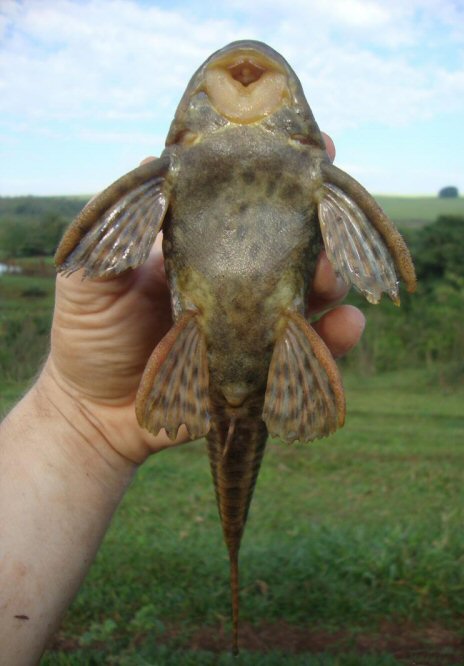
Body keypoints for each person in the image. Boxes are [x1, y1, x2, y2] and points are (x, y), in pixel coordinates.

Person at [0, 137, 365, 663]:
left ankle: (236, 586)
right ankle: (236, 592)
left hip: (279, 340)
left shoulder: (301, 167)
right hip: (185, 340)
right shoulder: (175, 170)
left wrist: (76, 416)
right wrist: (74, 409)